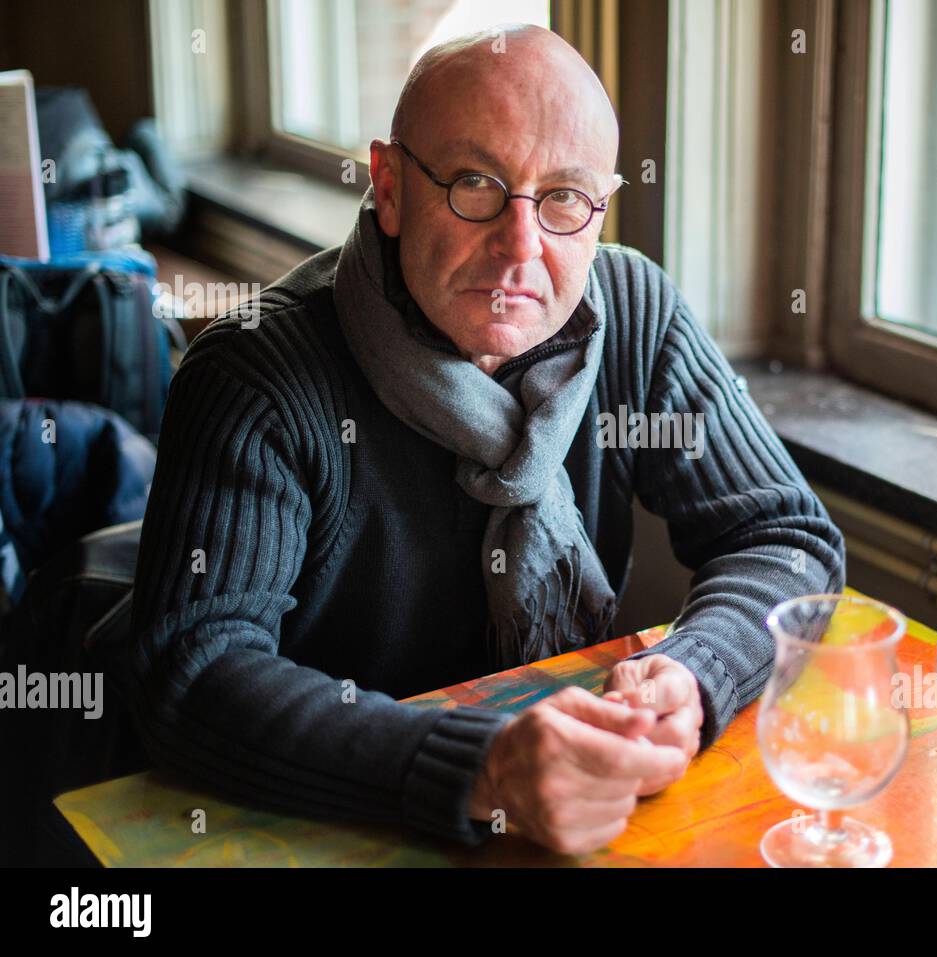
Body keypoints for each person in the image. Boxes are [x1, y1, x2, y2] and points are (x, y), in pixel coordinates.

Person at [117, 24, 845, 856]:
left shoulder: (634, 312)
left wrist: (696, 669)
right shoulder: (258, 374)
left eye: (566, 197)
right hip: (314, 815)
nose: (522, 247)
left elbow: (786, 536)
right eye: (475, 183)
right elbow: (193, 669)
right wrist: (480, 768)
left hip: (569, 807)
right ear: (388, 187)